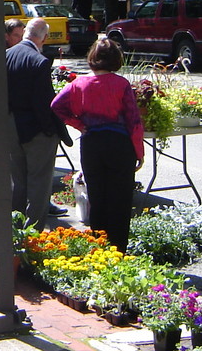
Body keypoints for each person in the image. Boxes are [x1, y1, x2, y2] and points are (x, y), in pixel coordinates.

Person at [51, 38, 144, 252]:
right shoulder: (121, 84)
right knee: (119, 198)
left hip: (91, 142)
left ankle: (98, 248)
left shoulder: (79, 83)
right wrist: (139, 152)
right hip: (119, 145)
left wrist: (78, 124)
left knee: (96, 196)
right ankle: (118, 249)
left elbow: (56, 105)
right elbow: (133, 121)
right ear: (115, 59)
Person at [6, 18, 63, 230]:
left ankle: (14, 229)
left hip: (12, 126)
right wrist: (49, 129)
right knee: (39, 183)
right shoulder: (39, 61)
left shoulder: (6, 55)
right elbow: (44, 101)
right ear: (44, 38)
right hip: (36, 130)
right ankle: (34, 235)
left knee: (18, 181)